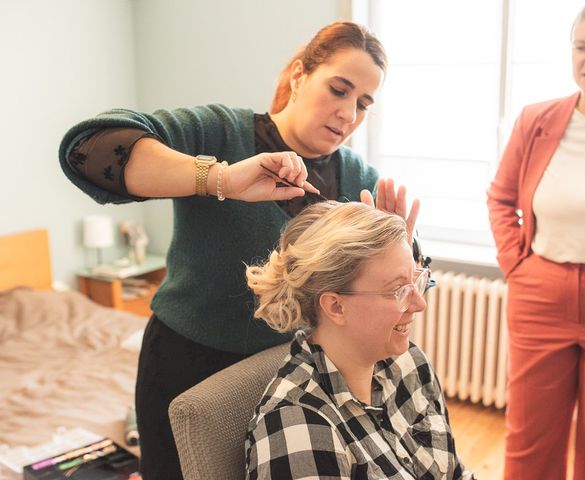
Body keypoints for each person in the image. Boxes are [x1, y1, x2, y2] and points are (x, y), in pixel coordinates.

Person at [58, 22, 420, 480]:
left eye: (364, 103)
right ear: (298, 76)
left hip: (289, 376)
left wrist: (402, 258)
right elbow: (87, 149)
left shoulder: (358, 180)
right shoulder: (219, 134)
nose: (349, 114)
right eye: (339, 90)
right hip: (185, 364)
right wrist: (221, 180)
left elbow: (383, 301)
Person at [487, 1, 585, 478]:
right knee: (530, 442)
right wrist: (516, 265)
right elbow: (501, 198)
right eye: (581, 47)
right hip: (540, 295)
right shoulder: (536, 119)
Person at [245, 201, 473, 480]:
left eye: (416, 282)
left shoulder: (411, 363)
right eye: (399, 290)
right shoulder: (299, 425)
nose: (419, 304)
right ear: (336, 307)